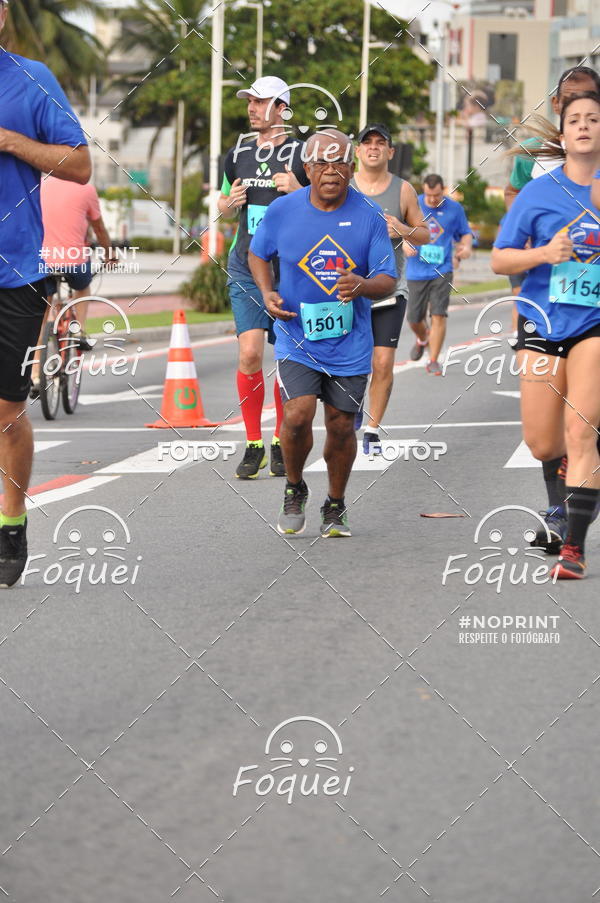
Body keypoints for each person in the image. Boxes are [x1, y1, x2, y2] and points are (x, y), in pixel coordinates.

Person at [248, 129, 397, 537]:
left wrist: (362, 285)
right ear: (307, 169)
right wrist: (266, 291)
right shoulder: (283, 210)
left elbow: (388, 278)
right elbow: (257, 253)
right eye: (321, 164)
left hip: (349, 343)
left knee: (340, 425)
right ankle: (294, 488)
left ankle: (335, 503)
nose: (331, 172)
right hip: (297, 335)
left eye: (339, 163)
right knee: (296, 416)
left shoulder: (368, 215)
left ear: (352, 168)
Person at [0, 0, 91, 587]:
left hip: (16, 272)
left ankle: (10, 521)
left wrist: (11, 141)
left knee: (5, 413)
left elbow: (80, 165)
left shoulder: (32, 79)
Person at [492, 91, 600, 579]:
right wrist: (543, 254)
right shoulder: (539, 193)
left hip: (593, 326)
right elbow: (500, 259)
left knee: (581, 432)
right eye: (574, 120)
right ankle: (564, 472)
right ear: (562, 134)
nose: (583, 126)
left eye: (593, 119)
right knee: (543, 443)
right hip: (541, 323)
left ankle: (574, 548)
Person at [218, 76, 309, 480]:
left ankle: (278, 438)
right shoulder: (236, 152)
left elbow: (325, 203)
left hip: (289, 270)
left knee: (284, 357)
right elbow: (223, 202)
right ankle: (253, 442)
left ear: (282, 108)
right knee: (251, 354)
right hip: (245, 264)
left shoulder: (302, 153)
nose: (252, 108)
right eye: (249, 102)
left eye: (261, 102)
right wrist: (226, 203)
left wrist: (299, 189)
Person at [350, 123, 430, 454]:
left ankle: (372, 428)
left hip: (389, 290)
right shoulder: (344, 187)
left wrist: (403, 229)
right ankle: (352, 403)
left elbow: (425, 234)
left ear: (390, 152)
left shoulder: (403, 190)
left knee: (382, 362)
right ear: (356, 151)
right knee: (354, 361)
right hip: (348, 292)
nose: (373, 147)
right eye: (366, 142)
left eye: (380, 143)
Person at [503, 66, 600, 320]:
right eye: (570, 99)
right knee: (522, 305)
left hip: (591, 265)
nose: (578, 104)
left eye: (588, 96)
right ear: (556, 104)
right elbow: (512, 191)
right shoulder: (532, 153)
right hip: (539, 261)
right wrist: (521, 231)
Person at [405, 174, 472, 375]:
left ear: (443, 190)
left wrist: (465, 247)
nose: (432, 199)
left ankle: (433, 360)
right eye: (428, 195)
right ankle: (423, 338)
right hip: (416, 270)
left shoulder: (454, 209)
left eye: (436, 195)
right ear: (423, 191)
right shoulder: (413, 204)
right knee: (414, 318)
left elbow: (465, 233)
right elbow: (400, 229)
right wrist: (405, 243)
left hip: (442, 270)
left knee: (438, 314)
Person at [41, 176, 114, 347]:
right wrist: (110, 253)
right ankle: (79, 331)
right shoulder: (86, 188)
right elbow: (99, 229)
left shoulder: (40, 185)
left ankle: (36, 371)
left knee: (41, 318)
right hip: (74, 261)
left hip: (43, 261)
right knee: (82, 286)